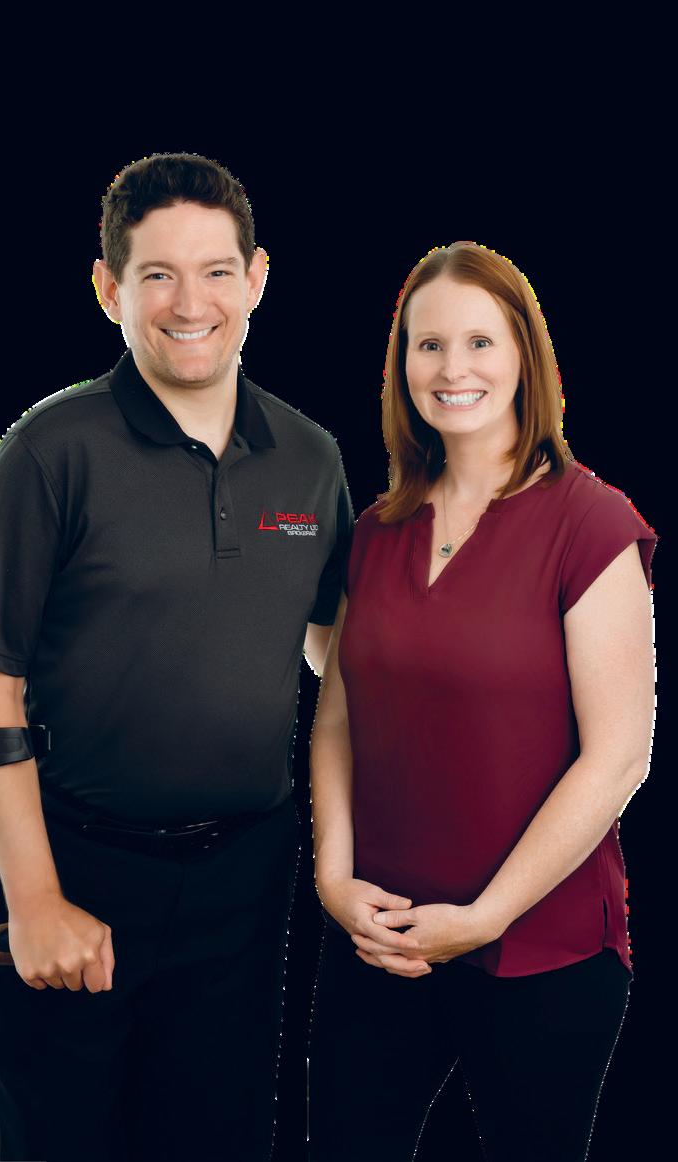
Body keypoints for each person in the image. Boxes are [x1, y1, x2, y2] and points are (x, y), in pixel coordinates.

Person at [0, 152, 353, 1162]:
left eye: (215, 271)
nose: (190, 304)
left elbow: (338, 650)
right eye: (158, 275)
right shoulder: (48, 452)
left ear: (256, 278)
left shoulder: (310, 457)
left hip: (246, 884)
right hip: (74, 868)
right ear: (108, 288)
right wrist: (35, 900)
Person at [307, 241, 657, 1162]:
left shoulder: (590, 523)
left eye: (478, 342)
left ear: (524, 358)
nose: (451, 368)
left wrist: (486, 916)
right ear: (402, 367)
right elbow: (337, 716)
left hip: (539, 950)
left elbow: (618, 755)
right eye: (428, 346)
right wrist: (333, 880)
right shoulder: (374, 532)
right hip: (379, 934)